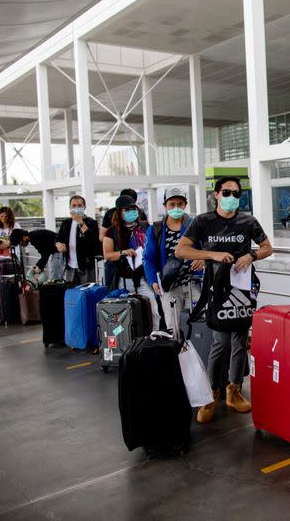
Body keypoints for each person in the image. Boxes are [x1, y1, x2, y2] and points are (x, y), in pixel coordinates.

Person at [176, 176, 273, 424]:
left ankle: (235, 389)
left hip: (243, 289)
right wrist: (212, 255)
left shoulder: (248, 221)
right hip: (216, 289)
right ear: (216, 195)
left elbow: (267, 247)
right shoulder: (203, 222)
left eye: (236, 193)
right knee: (220, 342)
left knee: (240, 340)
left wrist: (251, 255)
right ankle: (211, 394)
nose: (232, 197)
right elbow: (182, 250)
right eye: (227, 192)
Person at [143, 187, 203, 331]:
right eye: (172, 204)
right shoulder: (156, 229)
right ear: (165, 206)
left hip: (193, 284)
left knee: (197, 327)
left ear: (185, 205)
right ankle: (176, 353)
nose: (176, 207)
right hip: (169, 286)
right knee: (173, 328)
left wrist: (202, 259)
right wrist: (152, 281)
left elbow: (207, 249)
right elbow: (148, 258)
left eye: (180, 204)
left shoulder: (195, 225)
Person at [102, 194, 159, 329]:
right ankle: (126, 343)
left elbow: (155, 247)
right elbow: (107, 255)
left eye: (134, 208)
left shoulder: (145, 227)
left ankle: (153, 340)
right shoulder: (112, 232)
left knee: (154, 312)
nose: (131, 212)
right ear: (119, 212)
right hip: (124, 280)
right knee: (122, 316)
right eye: (127, 210)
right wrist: (122, 252)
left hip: (144, 278)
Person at [55, 195, 101, 284]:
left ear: (84, 207)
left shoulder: (91, 222)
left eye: (79, 206)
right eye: (74, 206)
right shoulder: (66, 223)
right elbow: (58, 239)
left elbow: (94, 242)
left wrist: (81, 222)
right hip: (70, 267)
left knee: (87, 292)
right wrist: (58, 244)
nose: (76, 208)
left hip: (87, 267)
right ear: (70, 207)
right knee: (71, 293)